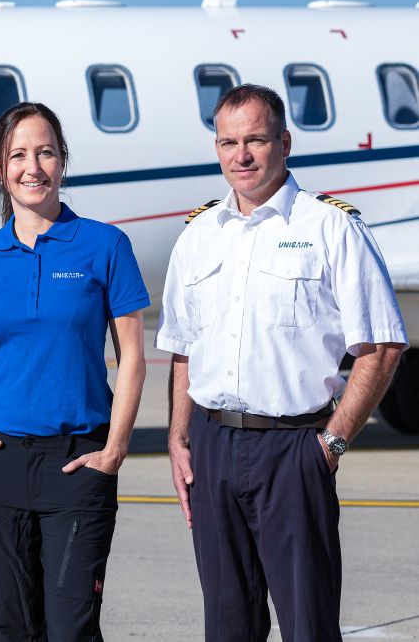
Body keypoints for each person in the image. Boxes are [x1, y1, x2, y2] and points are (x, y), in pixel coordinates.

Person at [157, 84, 408, 642]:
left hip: (294, 449)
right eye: (228, 142)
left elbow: (383, 345)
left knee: (307, 625)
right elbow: (182, 349)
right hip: (213, 446)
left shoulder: (330, 226)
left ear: (285, 143)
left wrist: (332, 443)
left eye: (255, 140)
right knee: (226, 625)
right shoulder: (198, 236)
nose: (240, 156)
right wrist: (179, 438)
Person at [0, 101, 149, 641]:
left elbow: (132, 355)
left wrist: (116, 448)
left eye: (45, 153)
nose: (32, 167)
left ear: (62, 162)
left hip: (78, 463)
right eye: (18, 155)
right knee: (12, 628)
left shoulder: (105, 245)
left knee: (70, 629)